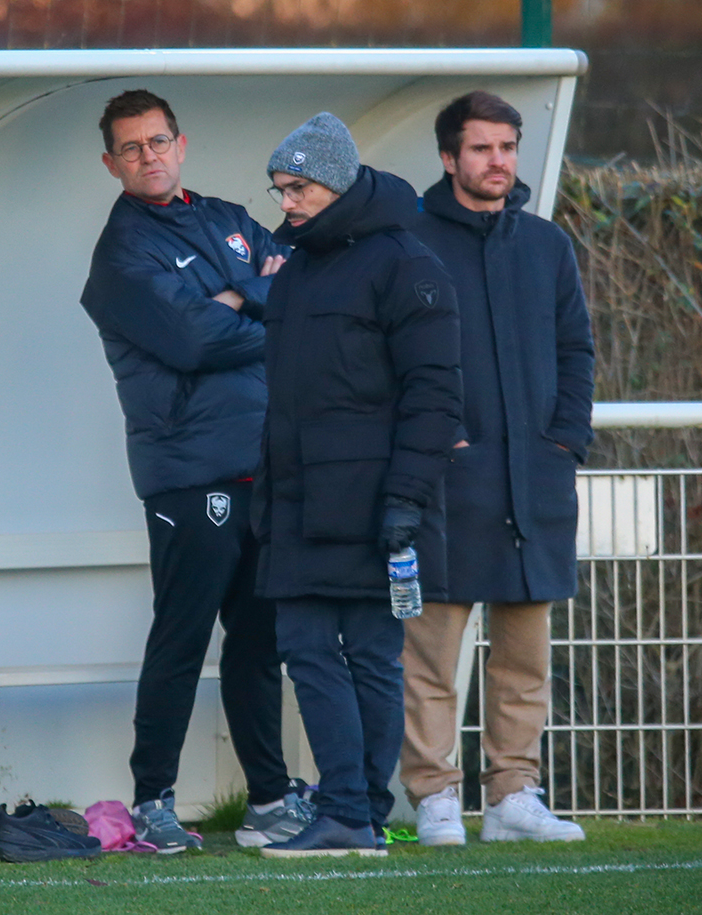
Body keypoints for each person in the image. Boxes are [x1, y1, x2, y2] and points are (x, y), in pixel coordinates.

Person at [79, 89, 304, 853]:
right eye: (132, 148)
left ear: (183, 142)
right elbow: (190, 340)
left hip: (263, 464)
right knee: (180, 636)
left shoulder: (228, 218)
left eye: (159, 141)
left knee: (257, 639)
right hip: (188, 471)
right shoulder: (120, 255)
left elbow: (293, 291)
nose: (149, 156)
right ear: (111, 163)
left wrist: (237, 297)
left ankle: (270, 799)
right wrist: (254, 305)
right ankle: (152, 800)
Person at [253, 113, 461, 856]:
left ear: (338, 183)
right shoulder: (300, 266)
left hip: (375, 505)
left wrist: (406, 498)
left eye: (299, 187)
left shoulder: (406, 263)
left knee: (369, 654)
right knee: (307, 647)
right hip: (298, 502)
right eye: (279, 190)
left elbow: (435, 392)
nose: (287, 203)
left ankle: (354, 808)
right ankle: (354, 809)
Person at [400, 91, 594, 845]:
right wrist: (441, 442)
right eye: (482, 149)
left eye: (507, 147)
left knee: (524, 654)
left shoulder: (547, 244)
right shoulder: (410, 241)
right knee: (430, 654)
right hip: (445, 484)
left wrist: (564, 440)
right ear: (449, 157)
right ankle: (435, 796)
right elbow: (393, 359)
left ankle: (514, 794)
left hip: (536, 479)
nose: (499, 162)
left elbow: (576, 349)